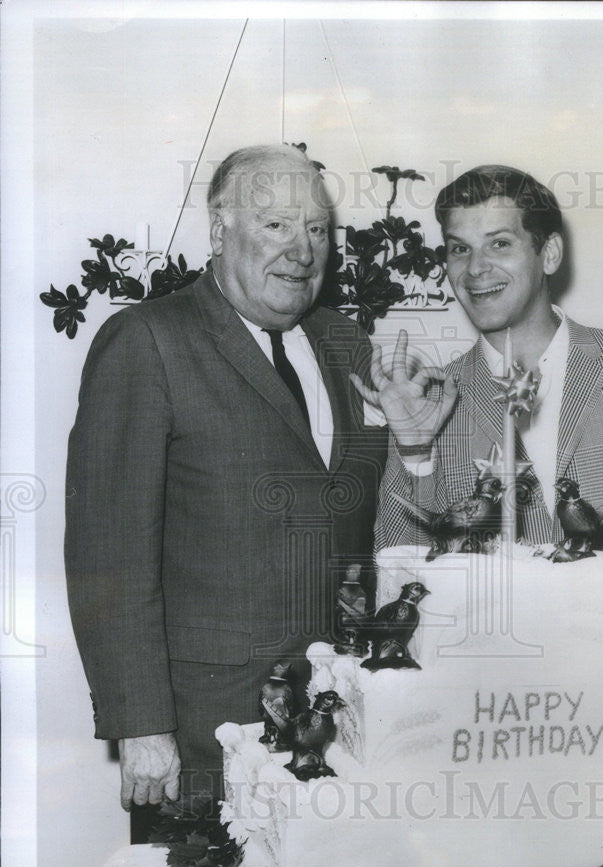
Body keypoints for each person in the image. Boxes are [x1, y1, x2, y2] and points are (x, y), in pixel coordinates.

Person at [65, 144, 386, 813]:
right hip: (206, 732)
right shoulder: (148, 341)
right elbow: (109, 554)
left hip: (341, 723)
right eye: (276, 225)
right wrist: (142, 724)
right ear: (219, 231)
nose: (302, 250)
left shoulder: (349, 346)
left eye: (317, 230)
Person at [353, 164, 603, 714]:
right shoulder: (427, 400)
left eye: (499, 244)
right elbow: (398, 574)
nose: (475, 269)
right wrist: (414, 451)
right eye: (458, 249)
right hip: (494, 724)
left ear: (548, 254)